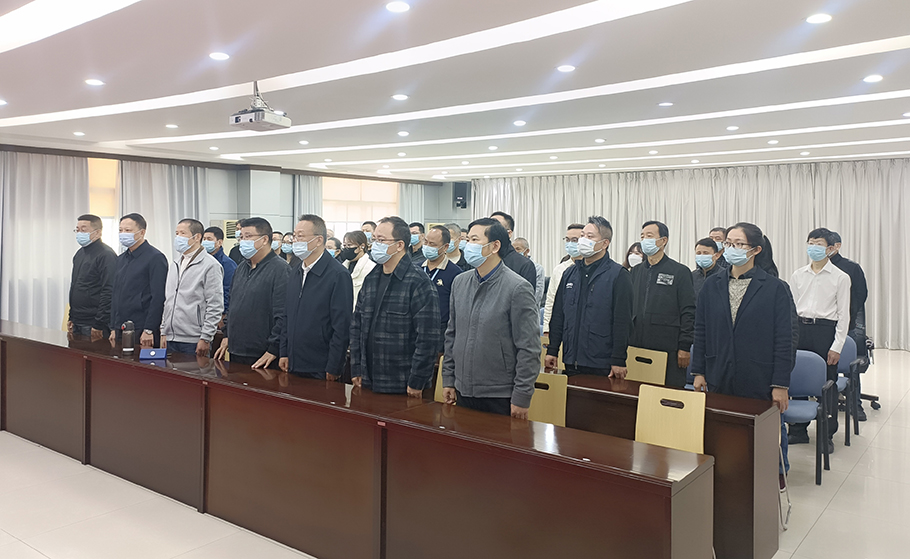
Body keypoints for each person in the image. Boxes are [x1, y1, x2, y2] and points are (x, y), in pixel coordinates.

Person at [691, 222, 794, 488]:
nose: (732, 249)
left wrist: (780, 384)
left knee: (761, 436)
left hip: (759, 376)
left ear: (756, 250)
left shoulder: (775, 288)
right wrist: (698, 370)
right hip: (719, 372)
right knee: (723, 434)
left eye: (739, 244)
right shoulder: (712, 285)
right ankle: (727, 483)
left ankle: (770, 482)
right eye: (728, 243)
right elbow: (701, 330)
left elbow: (785, 339)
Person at [442, 218, 539, 418]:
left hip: (499, 393)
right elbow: (452, 335)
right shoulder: (460, 282)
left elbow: (529, 348)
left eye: (475, 240)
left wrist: (522, 396)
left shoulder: (517, 288)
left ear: (495, 246)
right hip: (462, 388)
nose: (469, 245)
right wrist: (449, 379)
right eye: (467, 239)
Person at [350, 216, 440, 396]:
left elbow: (428, 338)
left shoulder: (418, 282)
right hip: (368, 377)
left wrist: (417, 381)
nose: (375, 245)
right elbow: (356, 325)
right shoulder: (371, 278)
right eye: (374, 239)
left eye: (381, 240)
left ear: (399, 245)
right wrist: (356, 367)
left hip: (402, 382)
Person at [787, 228, 851, 451]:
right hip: (800, 328)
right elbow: (791, 308)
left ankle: (827, 433)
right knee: (798, 378)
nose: (813, 247)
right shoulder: (798, 275)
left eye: (819, 244)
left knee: (827, 383)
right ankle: (798, 430)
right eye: (810, 243)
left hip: (825, 331)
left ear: (830, 249)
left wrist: (837, 346)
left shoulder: (840, 277)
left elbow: (844, 315)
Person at [546, 216, 633, 378]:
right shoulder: (569, 273)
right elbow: (558, 315)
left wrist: (618, 359)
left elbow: (622, 322)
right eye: (582, 236)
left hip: (601, 361)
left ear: (604, 243)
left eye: (590, 236)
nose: (583, 240)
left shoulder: (618, 275)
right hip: (571, 358)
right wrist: (552, 350)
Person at [279, 214, 353, 380]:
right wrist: (284, 352)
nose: (295, 241)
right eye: (294, 236)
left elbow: (342, 326)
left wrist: (334, 366)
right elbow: (287, 315)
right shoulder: (296, 271)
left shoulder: (338, 274)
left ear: (319, 240)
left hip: (320, 365)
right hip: (293, 361)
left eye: (300, 236)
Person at [213, 217, 290, 368]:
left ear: (264, 239)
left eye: (248, 236)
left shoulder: (281, 270)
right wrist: (227, 335)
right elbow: (232, 305)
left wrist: (273, 348)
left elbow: (283, 315)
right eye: (241, 237)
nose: (243, 241)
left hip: (263, 354)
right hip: (237, 349)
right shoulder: (241, 268)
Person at [629, 221, 696, 388]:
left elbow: (688, 311)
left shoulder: (680, 271)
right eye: (642, 236)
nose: (644, 240)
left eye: (649, 236)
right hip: (637, 346)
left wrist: (684, 346)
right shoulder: (636, 271)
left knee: (667, 393)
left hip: (668, 348)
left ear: (663, 240)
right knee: (636, 392)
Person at [161, 219, 224, 356]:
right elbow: (169, 300)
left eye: (183, 233)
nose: (178, 237)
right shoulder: (175, 263)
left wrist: (206, 337)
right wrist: (163, 331)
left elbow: (215, 304)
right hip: (171, 336)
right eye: (177, 233)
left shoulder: (210, 265)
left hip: (194, 338)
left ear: (197, 237)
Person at [109, 213, 169, 348]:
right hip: (120, 326)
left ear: (142, 232)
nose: (123, 234)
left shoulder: (155, 258)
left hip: (141, 327)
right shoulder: (121, 259)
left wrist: (149, 329)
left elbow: (158, 296)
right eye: (120, 230)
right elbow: (115, 294)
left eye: (128, 230)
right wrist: (113, 327)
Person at [68, 214, 118, 341]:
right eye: (77, 230)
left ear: (98, 232)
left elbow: (109, 290)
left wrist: (99, 323)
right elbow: (75, 286)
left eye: (84, 230)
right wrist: (71, 316)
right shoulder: (80, 253)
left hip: (94, 322)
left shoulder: (106, 255)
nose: (79, 233)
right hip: (78, 320)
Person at [421, 225, 463, 348]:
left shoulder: (456, 273)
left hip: (441, 331)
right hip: (416, 327)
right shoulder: (416, 268)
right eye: (426, 242)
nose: (427, 246)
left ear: (445, 247)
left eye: (432, 244)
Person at [543, 223, 585, 334]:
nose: (570, 244)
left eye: (575, 240)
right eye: (567, 240)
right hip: (562, 327)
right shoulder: (559, 269)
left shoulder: (592, 269)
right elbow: (550, 301)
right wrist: (547, 329)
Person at [828, 232, 868, 334]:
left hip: (847, 318)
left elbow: (861, 293)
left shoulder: (852, 267)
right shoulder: (814, 268)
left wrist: (850, 311)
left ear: (837, 246)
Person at [489, 211, 537, 288]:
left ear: (509, 233)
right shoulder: (481, 259)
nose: (490, 231)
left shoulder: (524, 265)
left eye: (496, 227)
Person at [202, 226, 238, 321]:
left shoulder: (227, 264)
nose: (205, 242)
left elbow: (228, 290)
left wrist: (223, 314)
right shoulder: (201, 261)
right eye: (204, 239)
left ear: (219, 242)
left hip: (218, 313)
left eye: (209, 239)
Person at [342, 231, 377, 310]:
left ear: (362, 246)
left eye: (349, 245)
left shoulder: (371, 267)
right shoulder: (342, 267)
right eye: (344, 245)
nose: (346, 248)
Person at [512, 237, 545, 307]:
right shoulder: (510, 266)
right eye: (513, 249)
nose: (515, 252)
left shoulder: (538, 268)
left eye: (518, 249)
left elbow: (537, 295)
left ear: (527, 251)